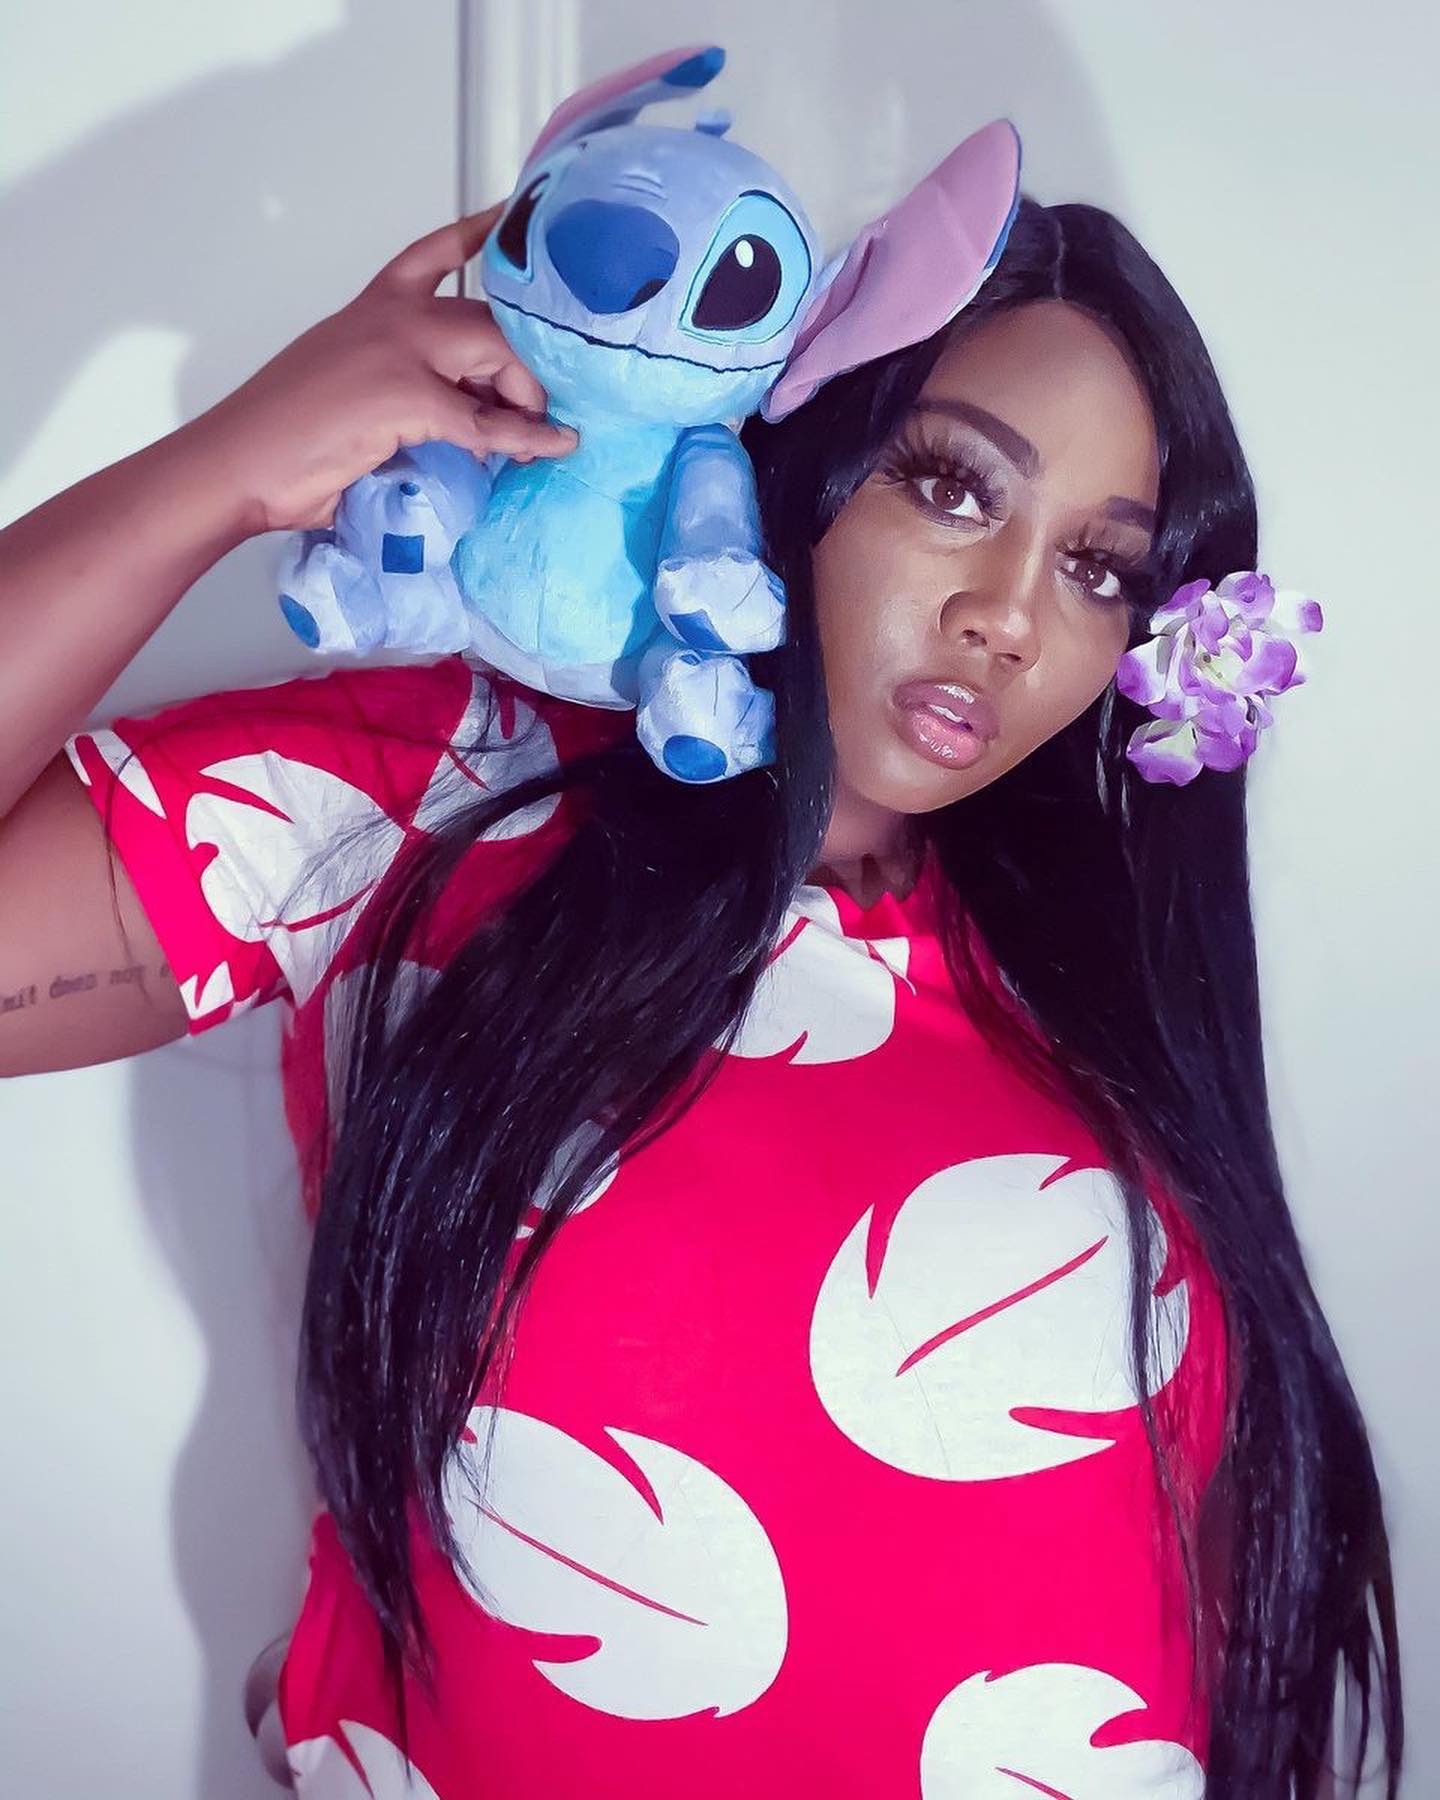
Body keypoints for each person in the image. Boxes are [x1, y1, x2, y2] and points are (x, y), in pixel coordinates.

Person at [0, 189, 1402, 1799]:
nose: (1009, 618)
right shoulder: (435, 793)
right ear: (795, 456)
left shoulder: (1101, 971)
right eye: (953, 485)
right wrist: (225, 472)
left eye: (1097, 568)